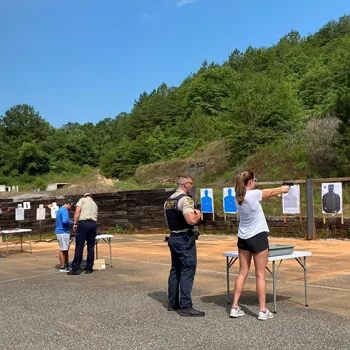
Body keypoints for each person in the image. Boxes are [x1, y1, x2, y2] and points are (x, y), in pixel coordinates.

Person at [230, 170, 289, 321]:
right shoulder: (253, 194)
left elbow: (264, 192)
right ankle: (262, 310)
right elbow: (268, 193)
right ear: (250, 182)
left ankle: (234, 307)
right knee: (260, 275)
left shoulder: (237, 196)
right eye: (254, 180)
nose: (255, 182)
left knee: (242, 272)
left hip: (243, 238)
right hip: (258, 237)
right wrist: (282, 189)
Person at [164, 175, 205, 317]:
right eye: (191, 184)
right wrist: (198, 214)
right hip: (183, 238)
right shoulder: (185, 199)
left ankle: (172, 302)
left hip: (173, 237)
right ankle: (186, 306)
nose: (192, 186)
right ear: (185, 184)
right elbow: (191, 220)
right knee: (188, 269)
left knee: (175, 270)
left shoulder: (169, 201)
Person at [68, 193, 98, 275]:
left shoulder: (82, 200)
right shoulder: (95, 204)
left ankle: (76, 268)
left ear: (84, 196)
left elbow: (77, 211)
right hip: (93, 224)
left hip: (84, 223)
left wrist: (75, 223)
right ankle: (89, 268)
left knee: (79, 246)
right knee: (91, 247)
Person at [55, 200, 75, 272]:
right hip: (63, 232)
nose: (71, 209)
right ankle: (63, 266)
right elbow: (65, 221)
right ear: (68, 204)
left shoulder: (61, 209)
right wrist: (72, 223)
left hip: (62, 231)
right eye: (71, 207)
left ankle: (66, 264)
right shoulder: (64, 210)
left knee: (65, 248)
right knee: (63, 249)